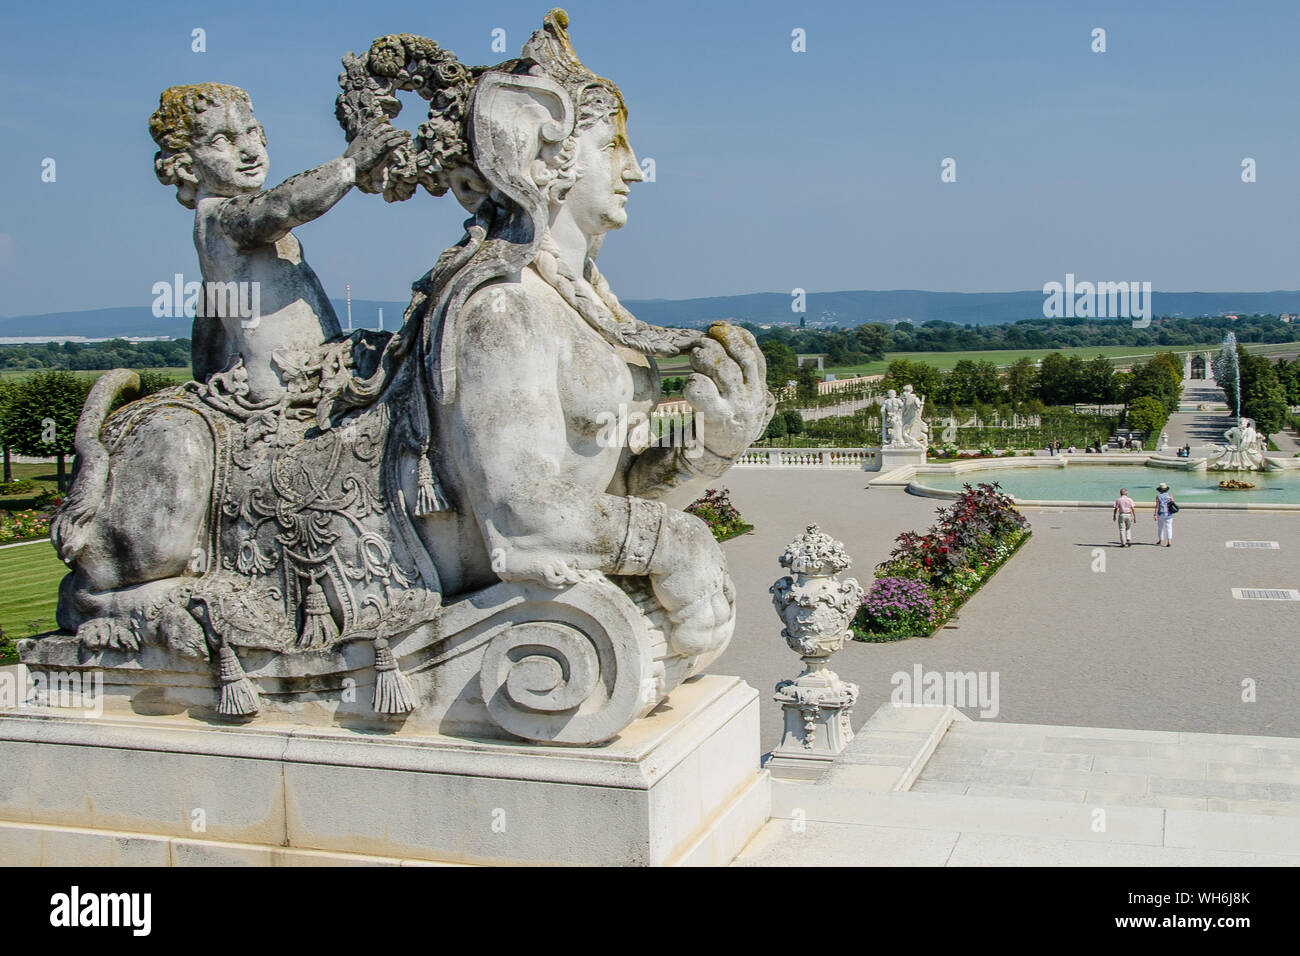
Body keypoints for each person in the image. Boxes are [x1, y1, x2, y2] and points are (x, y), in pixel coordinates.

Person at [149, 82, 405, 400]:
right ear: (187, 166)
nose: (249, 150)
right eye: (221, 141)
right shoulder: (222, 218)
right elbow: (283, 206)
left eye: (252, 132)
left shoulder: (218, 229)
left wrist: (207, 375)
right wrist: (350, 167)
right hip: (290, 383)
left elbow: (209, 316)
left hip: (318, 366)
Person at [1154, 482, 1176, 547]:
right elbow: (1173, 502)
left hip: (1161, 513)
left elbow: (1157, 506)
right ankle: (1169, 541)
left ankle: (1160, 540)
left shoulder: (1158, 496)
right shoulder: (1170, 495)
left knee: (1160, 527)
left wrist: (1155, 514)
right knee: (1169, 527)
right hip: (1169, 513)